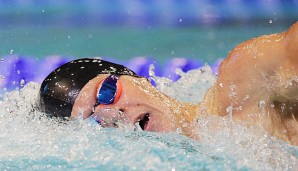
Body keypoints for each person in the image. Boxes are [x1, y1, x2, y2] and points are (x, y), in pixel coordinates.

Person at [39, 22, 298, 145]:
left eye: (106, 92)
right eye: (95, 120)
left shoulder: (242, 82)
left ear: (137, 79)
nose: (113, 114)